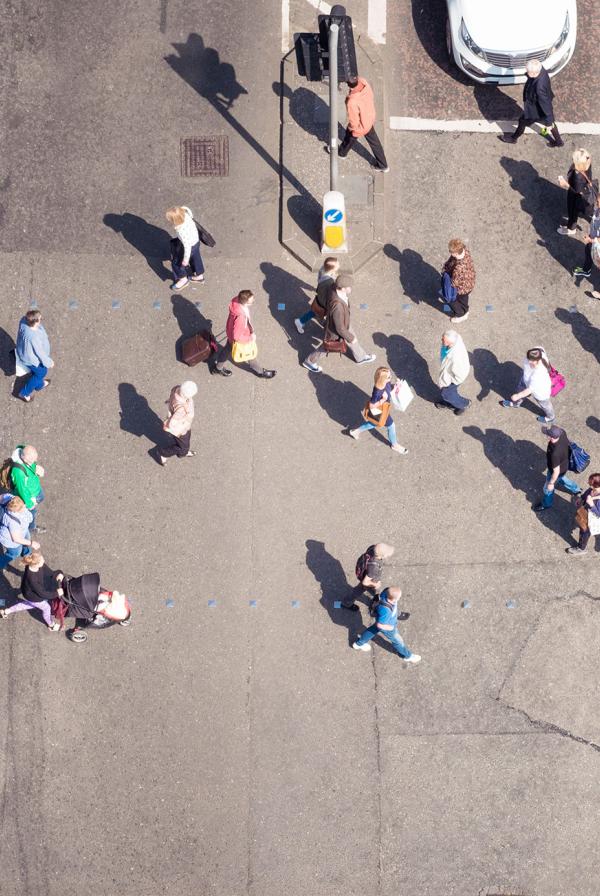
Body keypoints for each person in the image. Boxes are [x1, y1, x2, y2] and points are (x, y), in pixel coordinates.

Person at [303, 275, 375, 372]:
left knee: (350, 333)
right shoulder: (337, 306)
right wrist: (350, 338)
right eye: (349, 287)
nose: (351, 288)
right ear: (343, 288)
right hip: (336, 329)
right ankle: (309, 361)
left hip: (343, 321)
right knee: (328, 346)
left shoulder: (333, 287)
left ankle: (361, 357)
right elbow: (340, 328)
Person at [211, 290, 276, 378]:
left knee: (227, 350)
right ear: (245, 302)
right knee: (250, 353)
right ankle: (260, 372)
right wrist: (250, 338)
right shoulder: (241, 317)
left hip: (230, 333)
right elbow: (237, 336)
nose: (253, 301)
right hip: (241, 338)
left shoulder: (236, 302)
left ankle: (217, 368)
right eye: (251, 301)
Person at [499, 59, 563, 147]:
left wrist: (549, 121)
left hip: (535, 110)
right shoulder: (541, 70)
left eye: (528, 71)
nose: (526, 72)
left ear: (533, 73)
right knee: (551, 124)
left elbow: (546, 104)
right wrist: (549, 122)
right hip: (539, 107)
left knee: (522, 121)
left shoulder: (539, 87)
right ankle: (559, 142)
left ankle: (513, 138)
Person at [348, 367, 408, 454]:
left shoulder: (385, 382)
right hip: (378, 410)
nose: (390, 377)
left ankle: (355, 431)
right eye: (388, 377)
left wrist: (395, 385)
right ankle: (394, 445)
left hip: (382, 408)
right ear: (382, 379)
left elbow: (389, 388)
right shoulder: (377, 392)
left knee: (373, 423)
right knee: (391, 425)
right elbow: (372, 406)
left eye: (390, 374)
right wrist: (382, 400)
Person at [352, 586, 421, 663]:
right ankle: (408, 656)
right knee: (398, 642)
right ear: (394, 600)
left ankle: (359, 644)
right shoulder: (386, 611)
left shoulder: (386, 593)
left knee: (373, 630)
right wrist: (390, 628)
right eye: (399, 597)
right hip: (387, 627)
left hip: (383, 620)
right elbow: (380, 625)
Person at [336, 77, 389, 172]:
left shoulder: (352, 101)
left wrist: (351, 129)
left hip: (361, 126)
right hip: (369, 117)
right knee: (375, 143)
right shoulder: (364, 83)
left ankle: (341, 153)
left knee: (350, 135)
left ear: (349, 87)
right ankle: (383, 164)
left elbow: (354, 122)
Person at [0, 551, 60, 629]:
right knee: (46, 608)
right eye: (42, 561)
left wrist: (59, 573)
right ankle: (51, 625)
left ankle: (6, 611)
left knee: (28, 604)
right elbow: (42, 594)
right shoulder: (32, 579)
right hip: (34, 597)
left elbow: (49, 571)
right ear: (36, 564)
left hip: (28, 592)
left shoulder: (32, 565)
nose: (44, 561)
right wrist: (57, 593)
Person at [501, 347, 555, 424]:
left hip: (540, 392)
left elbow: (529, 390)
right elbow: (539, 348)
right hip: (526, 380)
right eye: (528, 358)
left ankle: (551, 417)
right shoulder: (539, 353)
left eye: (532, 360)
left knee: (545, 405)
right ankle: (516, 403)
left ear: (538, 360)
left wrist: (517, 396)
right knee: (520, 390)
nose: (529, 361)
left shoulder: (539, 374)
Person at [534, 425, 582, 512]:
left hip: (556, 470)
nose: (546, 435)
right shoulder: (562, 432)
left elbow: (556, 472)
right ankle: (576, 489)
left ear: (551, 437)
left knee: (548, 490)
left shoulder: (555, 454)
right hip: (564, 465)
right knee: (562, 478)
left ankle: (546, 504)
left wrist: (551, 483)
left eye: (547, 434)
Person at [14, 309, 54, 403]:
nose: (41, 319)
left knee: (39, 374)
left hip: (23, 351)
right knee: (41, 373)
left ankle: (39, 385)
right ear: (36, 321)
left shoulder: (23, 321)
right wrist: (49, 362)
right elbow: (39, 353)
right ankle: (24, 393)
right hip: (30, 359)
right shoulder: (33, 337)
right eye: (40, 318)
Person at [342, 542, 395, 612]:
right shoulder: (373, 568)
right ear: (383, 556)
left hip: (367, 573)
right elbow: (365, 582)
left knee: (374, 590)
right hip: (368, 579)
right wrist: (375, 584)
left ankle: (376, 597)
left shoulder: (372, 548)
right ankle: (346, 603)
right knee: (358, 590)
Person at [294, 257, 339, 334]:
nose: (339, 265)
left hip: (319, 299)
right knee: (315, 313)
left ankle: (301, 322)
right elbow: (330, 294)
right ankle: (300, 322)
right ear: (332, 269)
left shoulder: (322, 269)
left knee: (314, 312)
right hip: (323, 303)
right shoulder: (330, 282)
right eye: (337, 265)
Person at [166, 206, 205, 291]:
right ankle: (199, 276)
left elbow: (187, 246)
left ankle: (183, 279)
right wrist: (183, 208)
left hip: (188, 246)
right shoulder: (186, 214)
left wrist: (185, 259)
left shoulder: (181, 230)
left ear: (175, 221)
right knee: (196, 258)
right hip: (195, 242)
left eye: (171, 220)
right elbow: (188, 210)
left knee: (176, 263)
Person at [158, 381, 198, 466]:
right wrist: (168, 426)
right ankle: (164, 453)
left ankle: (183, 452)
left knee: (184, 442)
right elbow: (174, 421)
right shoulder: (182, 408)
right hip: (181, 428)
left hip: (183, 425)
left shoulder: (176, 388)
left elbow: (172, 399)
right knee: (183, 445)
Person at [9, 445, 46, 533]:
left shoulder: (24, 453)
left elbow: (23, 448)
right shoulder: (18, 472)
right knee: (31, 513)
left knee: (40, 499)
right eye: (32, 461)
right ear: (24, 459)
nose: (34, 462)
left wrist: (36, 467)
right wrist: (29, 504)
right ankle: (31, 528)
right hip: (30, 497)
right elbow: (22, 490)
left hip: (35, 490)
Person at [557, 149, 594, 236]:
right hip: (587, 191)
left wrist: (566, 184)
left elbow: (576, 191)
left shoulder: (577, 177)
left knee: (573, 211)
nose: (572, 160)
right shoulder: (587, 162)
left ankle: (571, 229)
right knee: (589, 205)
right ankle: (592, 215)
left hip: (577, 196)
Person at [435, 330, 471, 415]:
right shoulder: (453, 342)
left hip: (453, 379)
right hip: (448, 373)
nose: (441, 341)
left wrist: (451, 382)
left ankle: (464, 404)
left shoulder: (456, 358)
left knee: (447, 394)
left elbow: (460, 375)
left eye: (443, 340)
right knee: (446, 392)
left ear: (450, 342)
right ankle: (448, 402)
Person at [0, 495, 39, 569]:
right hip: (11, 541)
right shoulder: (13, 522)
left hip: (22, 530)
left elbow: (1, 497)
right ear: (16, 511)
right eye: (23, 507)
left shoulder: (10, 498)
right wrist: (31, 543)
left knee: (27, 537)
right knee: (14, 553)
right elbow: (16, 539)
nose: (25, 506)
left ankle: (27, 554)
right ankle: (1, 563)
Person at [567, 473, 600, 555]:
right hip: (586, 513)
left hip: (592, 520)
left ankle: (581, 548)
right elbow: (586, 493)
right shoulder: (592, 489)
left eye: (591, 484)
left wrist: (592, 505)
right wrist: (581, 498)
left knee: (585, 532)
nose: (589, 485)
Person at [573, 191, 600, 284]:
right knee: (588, 250)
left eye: (598, 203)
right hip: (593, 240)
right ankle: (586, 270)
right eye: (597, 201)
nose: (596, 204)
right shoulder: (598, 209)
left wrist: (591, 240)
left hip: (597, 243)